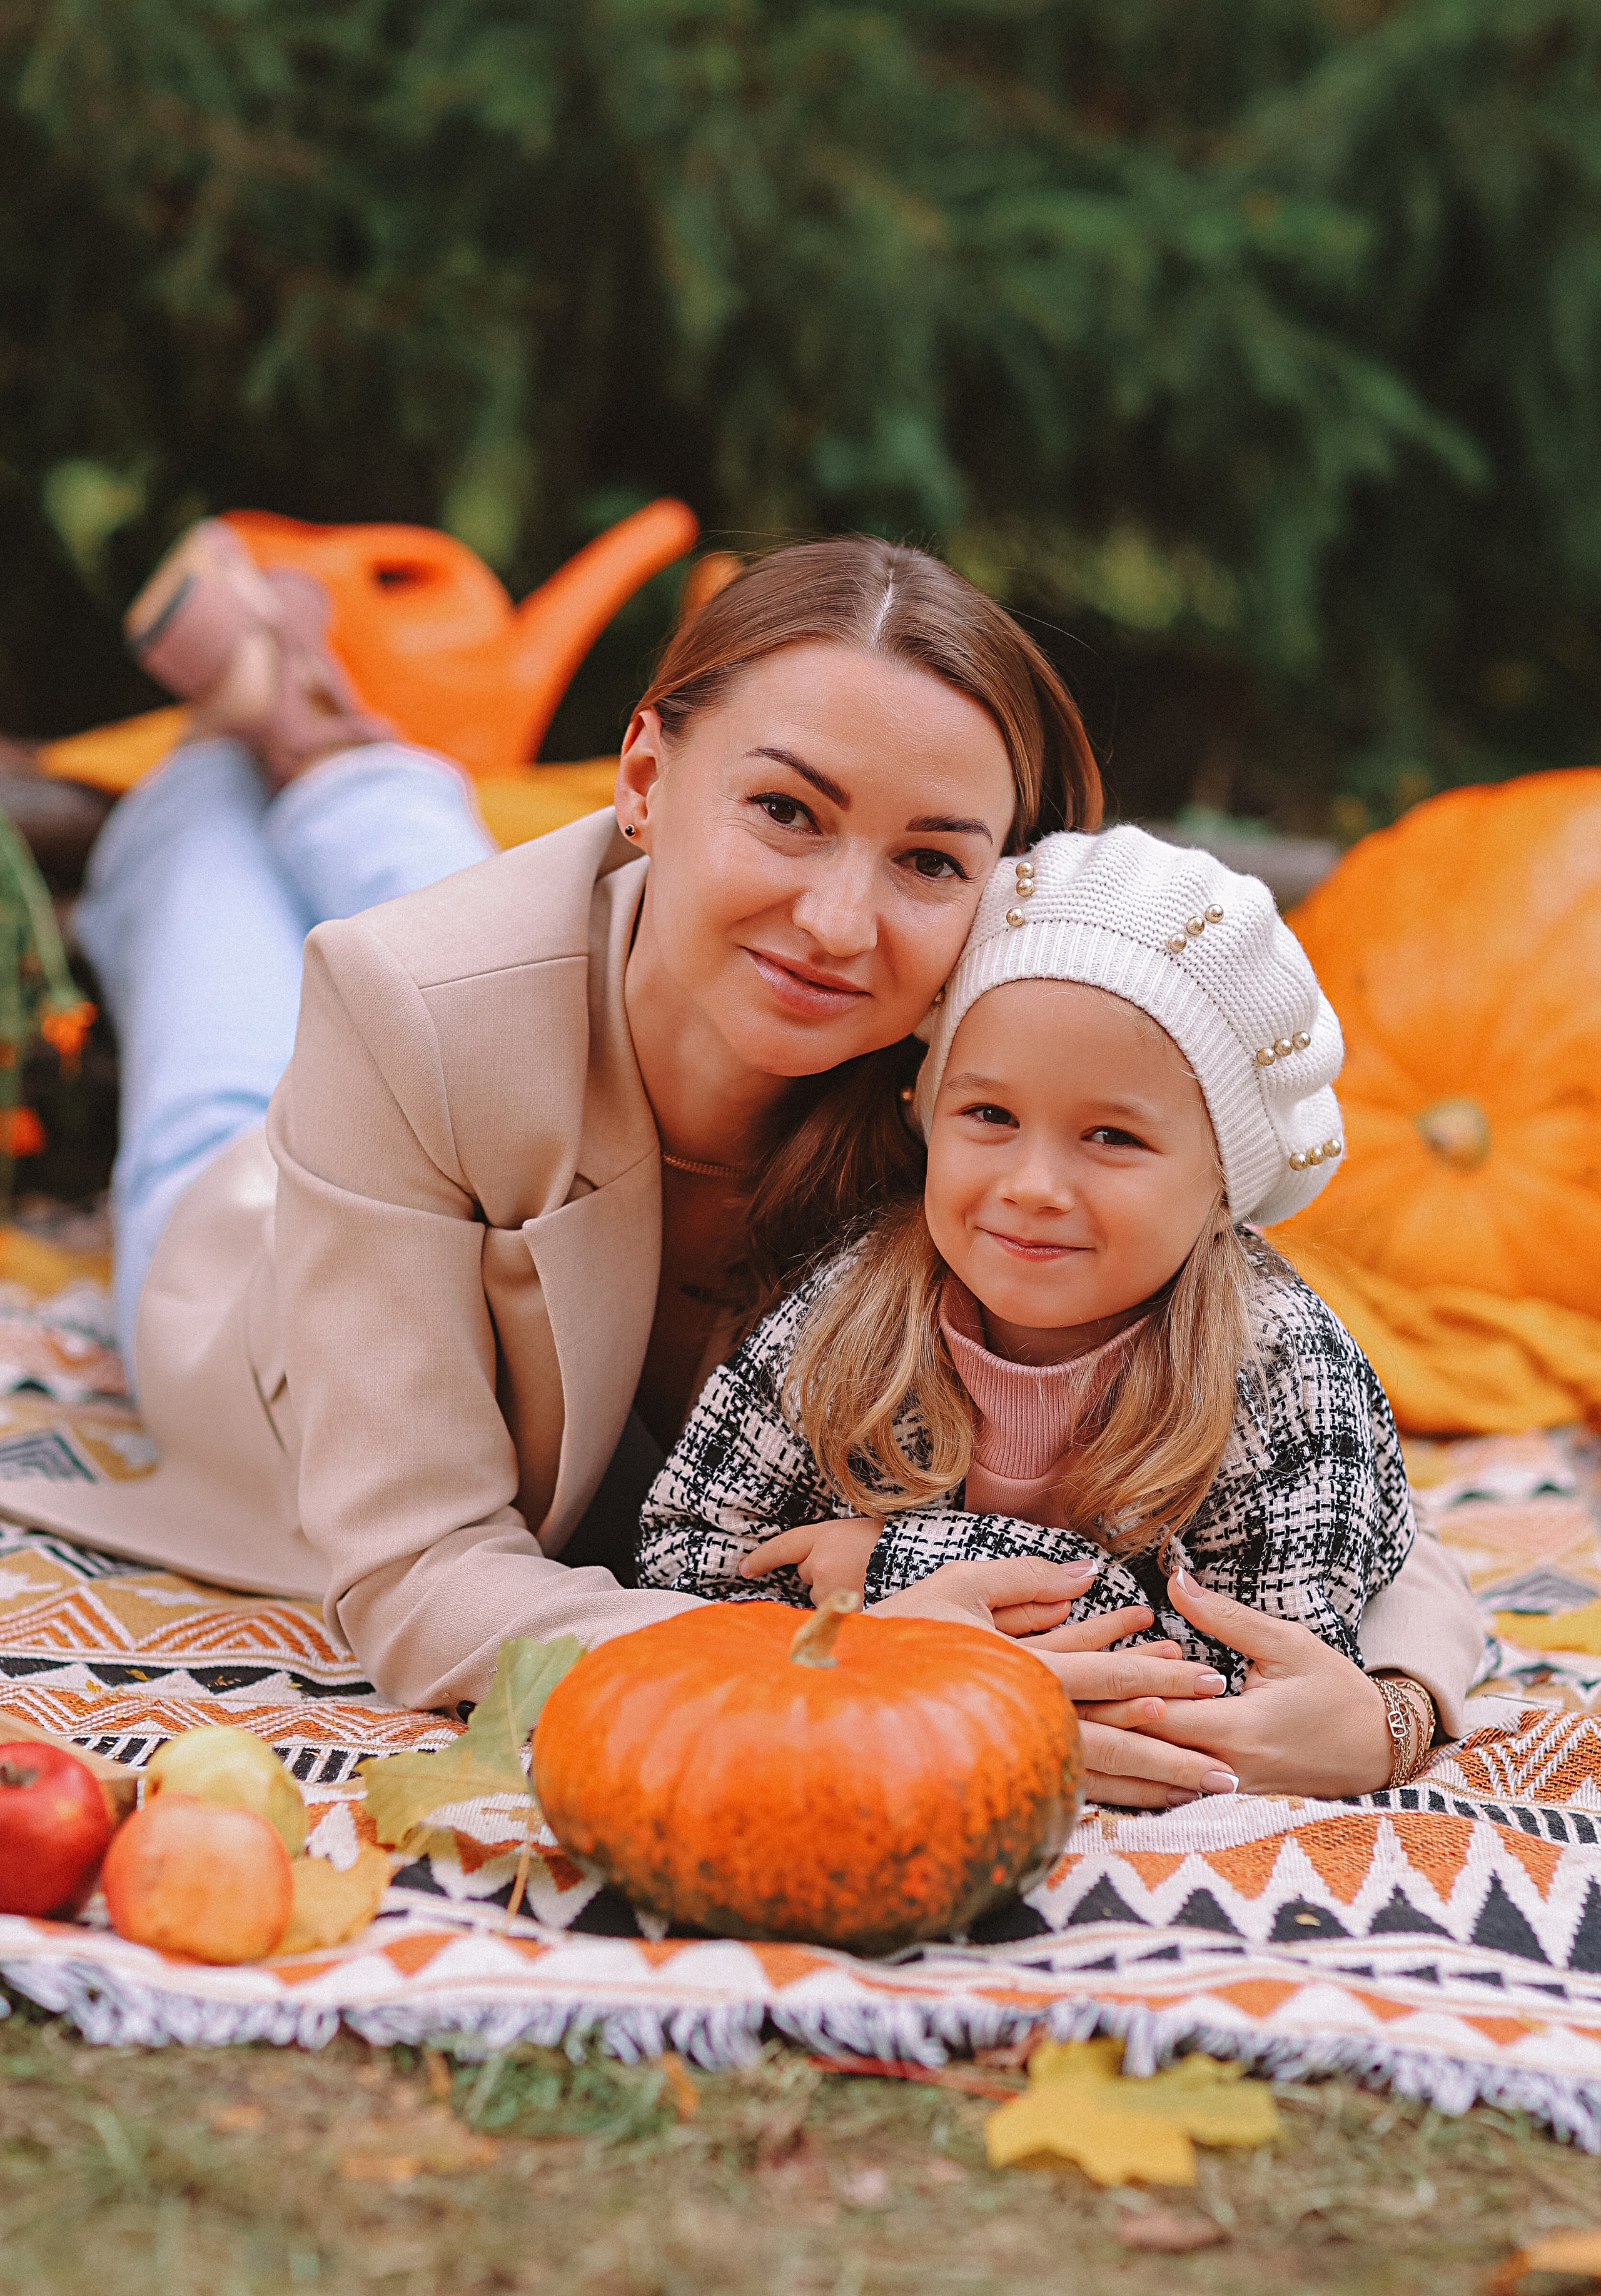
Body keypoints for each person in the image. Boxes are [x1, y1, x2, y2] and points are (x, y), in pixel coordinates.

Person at [1, 525, 1475, 1810]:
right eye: (786, 810)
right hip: (253, 1257)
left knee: (474, 916)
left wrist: (1390, 1706)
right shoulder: (402, 1011)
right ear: (641, 771)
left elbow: (1304, 1426)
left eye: (928, 860)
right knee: (230, 985)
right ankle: (226, 761)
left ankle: (317, 721)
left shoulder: (993, 1097)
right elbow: (423, 1575)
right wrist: (846, 1668)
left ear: (1002, 891)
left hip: (586, 970)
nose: (841, 922)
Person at [637, 827, 1483, 1803]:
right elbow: (685, 1558)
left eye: (1112, 1135)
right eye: (989, 1117)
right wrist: (927, 1631)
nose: (1033, 1186)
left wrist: (890, 1567)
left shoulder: (1280, 1368)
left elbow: (1246, 1687)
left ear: (1223, 1184)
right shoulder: (850, 1312)